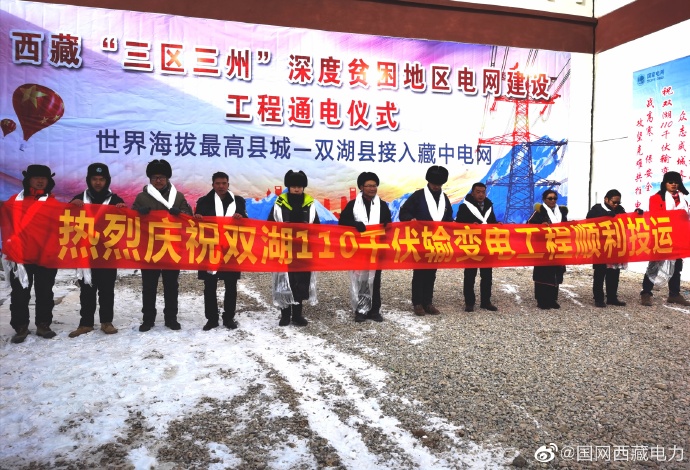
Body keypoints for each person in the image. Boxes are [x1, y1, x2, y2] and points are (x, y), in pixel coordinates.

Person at [132, 159, 193, 331]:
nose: (158, 180)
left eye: (161, 177)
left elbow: (189, 217)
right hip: (149, 248)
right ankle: (148, 319)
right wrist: (138, 213)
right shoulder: (142, 197)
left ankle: (171, 318)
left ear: (167, 178)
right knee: (149, 287)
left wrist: (180, 213)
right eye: (154, 177)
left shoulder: (178, 197)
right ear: (150, 179)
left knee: (171, 286)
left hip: (171, 248)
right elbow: (129, 219)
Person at [68, 163, 127, 337]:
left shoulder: (115, 200)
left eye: (102, 179)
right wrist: (70, 206)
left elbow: (125, 225)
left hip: (108, 253)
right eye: (95, 179)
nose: (98, 182)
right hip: (86, 253)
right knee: (87, 290)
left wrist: (123, 211)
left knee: (107, 289)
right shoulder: (79, 199)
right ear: (89, 180)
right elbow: (65, 221)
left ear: (107, 181)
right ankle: (85, 323)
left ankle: (106, 322)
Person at [4, 165, 59, 343]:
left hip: (46, 257)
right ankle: (21, 326)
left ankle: (43, 325)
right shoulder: (14, 201)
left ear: (49, 181)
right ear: (29, 180)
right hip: (20, 258)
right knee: (19, 295)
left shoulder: (55, 204)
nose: (40, 181)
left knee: (45, 293)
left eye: (44, 178)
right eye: (36, 177)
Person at [194, 171, 248, 330]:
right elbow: (196, 224)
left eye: (224, 183)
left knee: (231, 285)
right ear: (213, 185)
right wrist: (197, 219)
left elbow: (246, 221)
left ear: (228, 184)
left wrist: (241, 217)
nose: (221, 186)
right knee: (210, 285)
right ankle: (211, 318)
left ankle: (229, 317)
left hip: (231, 248)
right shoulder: (204, 201)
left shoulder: (238, 201)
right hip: (210, 248)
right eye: (217, 183)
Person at [399, 165, 454, 316]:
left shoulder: (444, 198)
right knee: (419, 272)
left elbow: (448, 217)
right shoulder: (418, 196)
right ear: (428, 181)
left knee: (431, 272)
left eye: (439, 184)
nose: (436, 187)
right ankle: (417, 303)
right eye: (434, 183)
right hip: (420, 240)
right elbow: (404, 212)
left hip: (437, 241)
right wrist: (411, 219)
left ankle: (428, 302)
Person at [338, 172, 392, 322]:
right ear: (361, 187)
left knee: (375, 281)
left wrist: (386, 224)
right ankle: (361, 310)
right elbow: (342, 222)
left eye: (374, 185)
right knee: (361, 281)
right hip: (359, 250)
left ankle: (374, 310)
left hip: (376, 249)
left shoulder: (382, 205)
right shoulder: (353, 205)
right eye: (369, 186)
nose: (372, 188)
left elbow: (388, 223)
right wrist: (355, 224)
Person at [268, 170, 319, 326]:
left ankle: (297, 315)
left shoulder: (310, 204)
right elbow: (270, 224)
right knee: (284, 280)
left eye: (299, 186)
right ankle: (285, 314)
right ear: (288, 187)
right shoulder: (279, 203)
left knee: (301, 281)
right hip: (284, 248)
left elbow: (317, 226)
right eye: (294, 186)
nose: (297, 189)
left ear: (303, 187)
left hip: (303, 249)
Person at [640, 171, 690, 306]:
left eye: (676, 182)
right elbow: (656, 217)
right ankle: (646, 293)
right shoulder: (656, 198)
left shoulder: (683, 199)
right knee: (655, 266)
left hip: (677, 238)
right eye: (670, 182)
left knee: (677, 267)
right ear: (665, 183)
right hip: (661, 236)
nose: (673, 185)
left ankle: (674, 294)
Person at [455, 182, 499, 312]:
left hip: (486, 245)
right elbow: (458, 224)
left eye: (483, 192)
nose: (481, 195)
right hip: (471, 245)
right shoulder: (464, 206)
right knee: (470, 275)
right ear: (472, 193)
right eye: (478, 192)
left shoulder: (489, 206)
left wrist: (497, 224)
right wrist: (470, 225)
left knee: (487, 275)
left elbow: (491, 221)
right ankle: (469, 302)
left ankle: (486, 301)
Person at [586, 189, 628, 308]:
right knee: (600, 273)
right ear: (606, 199)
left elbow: (628, 222)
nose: (616, 205)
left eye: (618, 202)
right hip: (600, 247)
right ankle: (598, 298)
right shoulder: (596, 210)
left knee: (614, 273)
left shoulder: (620, 210)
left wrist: (637, 214)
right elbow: (588, 223)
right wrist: (604, 217)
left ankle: (612, 297)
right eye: (614, 202)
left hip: (615, 246)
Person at [528, 190, 568, 310]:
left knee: (556, 272)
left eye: (555, 198)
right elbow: (528, 225)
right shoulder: (539, 212)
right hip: (543, 247)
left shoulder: (561, 212)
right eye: (550, 198)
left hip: (558, 246)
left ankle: (552, 299)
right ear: (544, 199)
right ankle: (541, 300)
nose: (552, 200)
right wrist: (541, 226)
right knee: (543, 273)